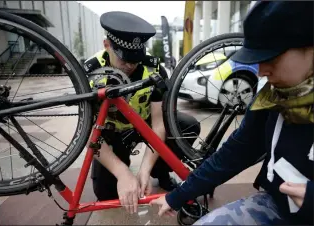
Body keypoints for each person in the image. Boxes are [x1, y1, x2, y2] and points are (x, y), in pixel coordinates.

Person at [151, 1, 313, 225]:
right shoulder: (273, 98)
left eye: (271, 57)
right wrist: (178, 195)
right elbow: (235, 152)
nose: (261, 70)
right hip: (276, 208)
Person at [83, 11, 201, 214]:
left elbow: (158, 125)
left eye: (135, 59)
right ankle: (124, 168)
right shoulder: (89, 74)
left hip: (143, 126)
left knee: (186, 125)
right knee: (106, 193)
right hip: (111, 134)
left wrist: (144, 169)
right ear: (107, 45)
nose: (130, 65)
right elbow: (88, 134)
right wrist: (122, 173)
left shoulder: (153, 70)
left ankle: (159, 170)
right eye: (124, 59)